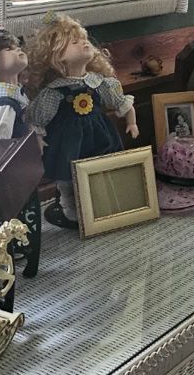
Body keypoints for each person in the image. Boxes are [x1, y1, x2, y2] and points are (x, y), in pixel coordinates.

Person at [25, 15, 138, 228]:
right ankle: (69, 205)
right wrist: (38, 140)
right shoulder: (53, 92)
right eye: (74, 42)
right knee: (66, 175)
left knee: (101, 167)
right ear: (58, 56)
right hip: (67, 141)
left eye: (84, 39)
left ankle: (102, 204)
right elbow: (38, 119)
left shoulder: (99, 83)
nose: (84, 43)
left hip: (98, 135)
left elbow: (120, 103)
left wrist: (131, 122)